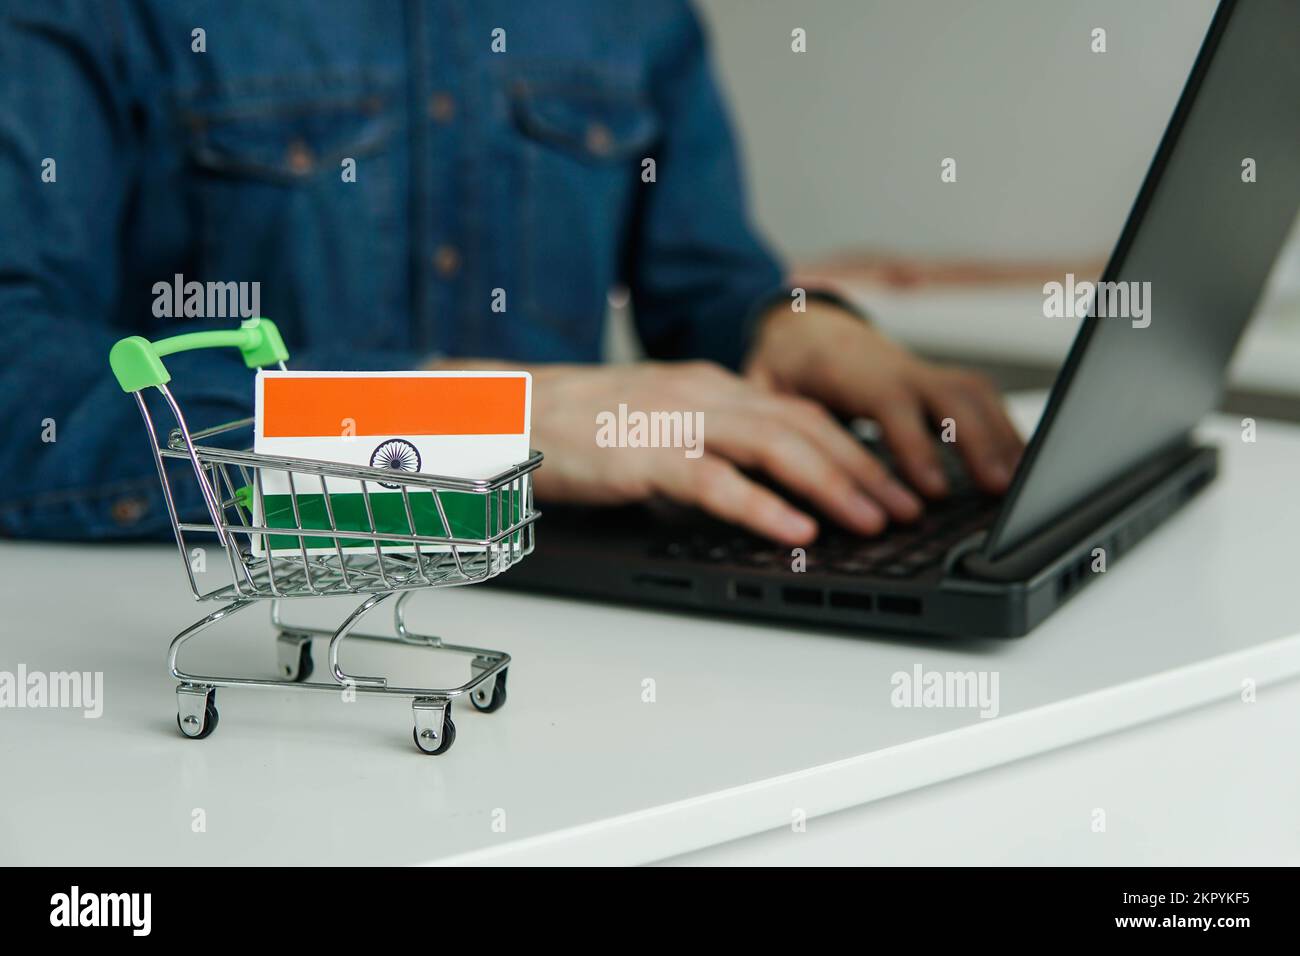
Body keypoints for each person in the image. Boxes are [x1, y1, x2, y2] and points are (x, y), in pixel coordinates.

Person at [0, 0, 1022, 546]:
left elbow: (703, 277)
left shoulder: (635, 14)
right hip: (251, 621)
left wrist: (795, 324)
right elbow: (21, 381)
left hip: (580, 602)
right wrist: (464, 419)